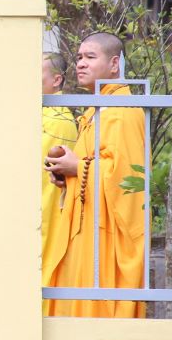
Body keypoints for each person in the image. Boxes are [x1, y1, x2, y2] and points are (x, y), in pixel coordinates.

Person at [43, 33, 146, 318]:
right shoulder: (96, 108)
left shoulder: (122, 110)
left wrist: (79, 168)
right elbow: (94, 164)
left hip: (107, 232)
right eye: (78, 58)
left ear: (114, 64)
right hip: (86, 225)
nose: (81, 64)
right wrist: (67, 173)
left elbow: (126, 179)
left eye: (90, 57)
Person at [40, 52, 78, 277]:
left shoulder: (57, 119)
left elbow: (43, 178)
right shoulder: (45, 112)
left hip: (47, 210)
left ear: (57, 80)